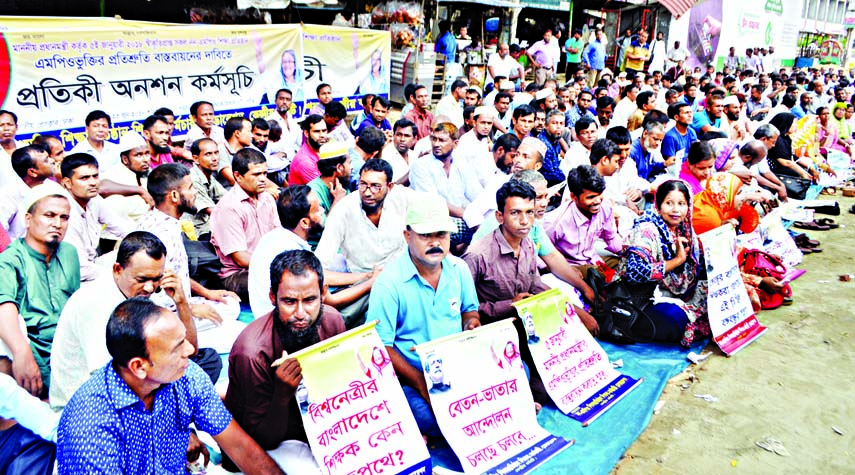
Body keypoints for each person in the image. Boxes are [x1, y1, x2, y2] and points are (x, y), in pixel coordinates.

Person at [56, 297, 284, 475]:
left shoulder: (186, 376)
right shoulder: (89, 425)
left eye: (184, 339)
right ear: (139, 366)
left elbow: (239, 447)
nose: (190, 351)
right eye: (177, 347)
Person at [49, 231, 217, 408]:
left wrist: (181, 302)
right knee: (189, 378)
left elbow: (191, 350)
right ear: (117, 270)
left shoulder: (139, 292)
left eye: (156, 279)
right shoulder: (94, 302)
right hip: (89, 404)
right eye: (142, 279)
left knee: (206, 361)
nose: (149, 287)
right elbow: (110, 380)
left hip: (134, 374)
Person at [226, 250, 346, 474]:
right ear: (273, 298)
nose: (300, 313)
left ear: (323, 293)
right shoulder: (251, 352)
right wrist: (282, 395)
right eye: (289, 301)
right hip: (279, 441)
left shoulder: (333, 321)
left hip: (321, 428)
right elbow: (262, 441)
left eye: (310, 300)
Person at [369, 197, 480, 437]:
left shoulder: (458, 269)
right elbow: (381, 347)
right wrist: (420, 382)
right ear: (407, 236)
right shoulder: (389, 284)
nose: (435, 243)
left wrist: (472, 324)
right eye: (425, 235)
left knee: (518, 369)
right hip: (412, 376)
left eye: (441, 234)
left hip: (457, 366)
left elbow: (469, 311)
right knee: (426, 417)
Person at [315, 159, 417, 327]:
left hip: (404, 275)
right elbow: (318, 269)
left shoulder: (401, 197)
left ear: (389, 187)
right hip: (366, 285)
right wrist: (366, 277)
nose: (368, 192)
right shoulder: (344, 210)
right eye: (363, 185)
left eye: (375, 186)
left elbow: (433, 205)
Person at [0, 189, 78, 396]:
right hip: (34, 348)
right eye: (49, 215)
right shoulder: (11, 260)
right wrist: (21, 352)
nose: (57, 223)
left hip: (69, 345)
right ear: (28, 219)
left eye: (64, 217)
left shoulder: (69, 253)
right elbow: (4, 307)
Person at [618, 180, 709, 347]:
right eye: (669, 203)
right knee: (674, 318)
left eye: (681, 204)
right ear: (658, 206)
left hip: (670, 295)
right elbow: (635, 272)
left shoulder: (684, 229)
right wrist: (677, 260)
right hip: (638, 302)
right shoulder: (647, 229)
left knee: (713, 297)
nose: (676, 210)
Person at [211, 149, 279, 302]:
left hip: (265, 264)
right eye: (256, 174)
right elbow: (241, 258)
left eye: (265, 174)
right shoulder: (229, 207)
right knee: (285, 280)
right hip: (236, 275)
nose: (263, 179)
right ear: (238, 176)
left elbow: (277, 237)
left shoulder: (267, 198)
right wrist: (278, 264)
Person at [61, 153, 133, 282]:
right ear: (67, 183)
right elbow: (80, 270)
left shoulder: (94, 200)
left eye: (95, 176)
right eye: (84, 178)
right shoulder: (64, 213)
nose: (93, 182)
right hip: (73, 278)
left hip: (93, 266)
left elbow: (122, 227)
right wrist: (124, 275)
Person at [410, 122, 482, 248]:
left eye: (442, 140)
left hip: (457, 222)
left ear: (455, 143)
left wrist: (481, 216)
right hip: (430, 222)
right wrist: (466, 215)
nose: (436, 144)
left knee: (488, 228)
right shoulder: (421, 165)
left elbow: (477, 194)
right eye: (434, 139)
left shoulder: (460, 163)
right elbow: (433, 202)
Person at [545, 164, 623, 268]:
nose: (597, 201)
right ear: (573, 197)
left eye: (600, 194)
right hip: (570, 267)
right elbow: (541, 256)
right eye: (591, 197)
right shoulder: (555, 222)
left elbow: (611, 238)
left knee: (628, 268)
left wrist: (627, 252)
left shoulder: (605, 207)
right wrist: (567, 272)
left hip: (593, 260)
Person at [0, 144, 63, 239]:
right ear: (32, 172)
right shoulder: (8, 195)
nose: (52, 161)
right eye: (46, 160)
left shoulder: (54, 188)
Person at [101, 132, 152, 241]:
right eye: (138, 155)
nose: (145, 159)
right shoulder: (115, 174)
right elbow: (101, 187)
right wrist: (140, 191)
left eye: (147, 153)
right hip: (119, 241)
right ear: (125, 159)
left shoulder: (146, 172)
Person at [692, 172, 761, 235]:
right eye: (738, 193)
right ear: (724, 195)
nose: (743, 198)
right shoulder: (710, 218)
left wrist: (721, 224)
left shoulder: (706, 199)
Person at [187, 138, 226, 240]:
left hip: (207, 227)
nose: (214, 158)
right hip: (197, 233)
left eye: (216, 153)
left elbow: (226, 198)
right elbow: (213, 212)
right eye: (208, 154)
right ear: (196, 159)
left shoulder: (209, 176)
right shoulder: (192, 179)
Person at [766, 113, 815, 181]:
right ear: (786, 123)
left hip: (782, 167)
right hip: (773, 169)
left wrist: (810, 168)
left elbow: (792, 156)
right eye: (794, 123)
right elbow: (786, 162)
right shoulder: (778, 139)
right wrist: (804, 174)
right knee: (795, 172)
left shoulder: (786, 138)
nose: (796, 126)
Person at [307, 141, 352, 214]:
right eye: (349, 163)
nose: (352, 167)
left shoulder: (342, 184)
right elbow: (322, 225)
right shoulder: (313, 192)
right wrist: (337, 200)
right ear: (339, 168)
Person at [288, 115, 329, 186]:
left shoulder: (326, 149)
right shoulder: (304, 161)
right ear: (306, 133)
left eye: (324, 131)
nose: (322, 135)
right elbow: (322, 188)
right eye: (317, 131)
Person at [218, 117, 254, 188]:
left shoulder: (248, 150)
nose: (252, 135)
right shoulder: (220, 149)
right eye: (249, 131)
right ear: (237, 133)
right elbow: (232, 179)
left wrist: (275, 189)